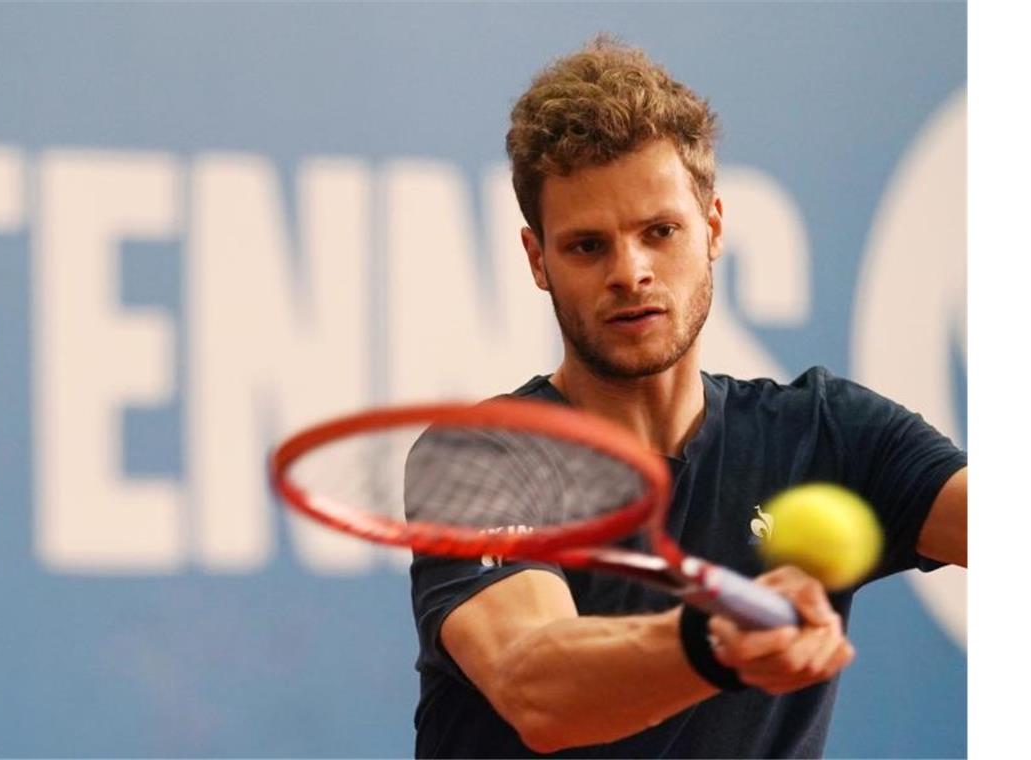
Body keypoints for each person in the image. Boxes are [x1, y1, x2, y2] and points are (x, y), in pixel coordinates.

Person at [407, 35, 967, 759]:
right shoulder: (482, 460)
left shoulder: (831, 434)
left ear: (712, 228)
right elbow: (535, 685)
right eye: (586, 247)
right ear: (537, 259)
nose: (630, 272)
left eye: (660, 232)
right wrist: (712, 641)